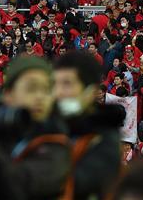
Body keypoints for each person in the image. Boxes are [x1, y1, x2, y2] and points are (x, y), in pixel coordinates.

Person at [53, 51, 124, 200]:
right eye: (54, 84)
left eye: (66, 84)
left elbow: (80, 182)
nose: (57, 92)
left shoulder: (105, 139)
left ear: (90, 91)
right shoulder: (51, 125)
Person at [0, 55, 70, 200]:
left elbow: (23, 183)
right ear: (8, 95)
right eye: (31, 89)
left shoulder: (58, 141)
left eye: (46, 90)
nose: (40, 97)